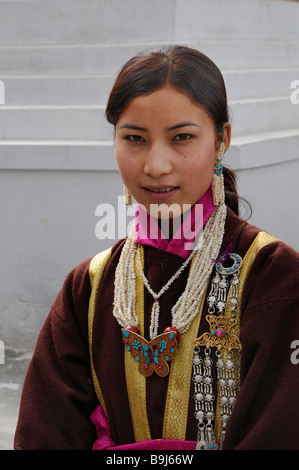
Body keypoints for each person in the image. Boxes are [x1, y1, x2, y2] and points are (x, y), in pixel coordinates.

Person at [14, 45, 299, 450]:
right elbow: (45, 434)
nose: (156, 165)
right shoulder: (89, 289)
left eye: (182, 137)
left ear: (222, 140)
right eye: (135, 138)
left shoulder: (273, 275)